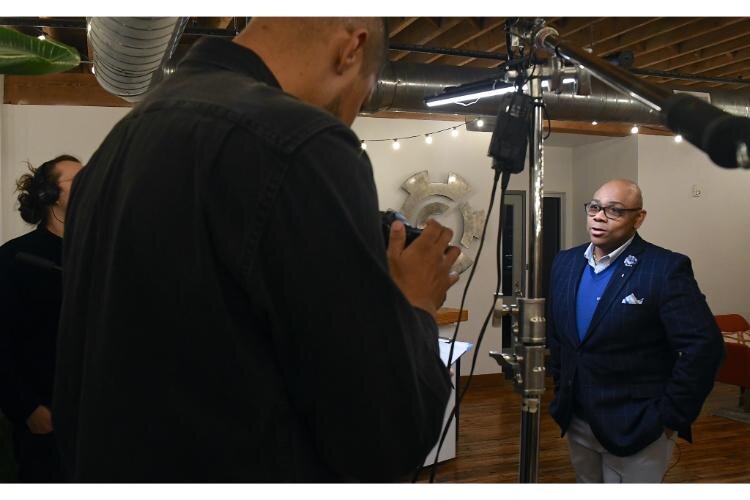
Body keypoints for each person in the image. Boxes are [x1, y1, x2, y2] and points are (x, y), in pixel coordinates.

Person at [53, 18, 459, 482]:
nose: (350, 117)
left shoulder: (114, 150)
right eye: (361, 97)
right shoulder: (300, 142)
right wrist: (416, 302)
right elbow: (385, 437)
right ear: (351, 48)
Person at [547, 179, 724, 483]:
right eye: (594, 207)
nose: (599, 217)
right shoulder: (565, 262)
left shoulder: (665, 269)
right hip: (577, 417)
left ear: (638, 218)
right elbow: (560, 336)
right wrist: (561, 386)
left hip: (638, 424)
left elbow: (703, 347)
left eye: (614, 211)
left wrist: (670, 416)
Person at [0, 155, 83, 482]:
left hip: (95, 420)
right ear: (49, 195)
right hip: (42, 418)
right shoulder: (15, 258)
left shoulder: (99, 252)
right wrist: (26, 408)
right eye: (77, 180)